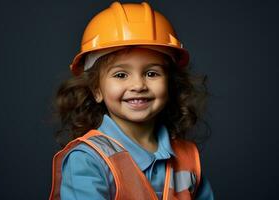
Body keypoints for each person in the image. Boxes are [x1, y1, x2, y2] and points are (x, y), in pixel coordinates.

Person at [49, 1, 214, 200]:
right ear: (96, 90)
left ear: (170, 84)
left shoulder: (187, 157)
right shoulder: (87, 160)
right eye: (120, 75)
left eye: (152, 73)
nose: (138, 85)